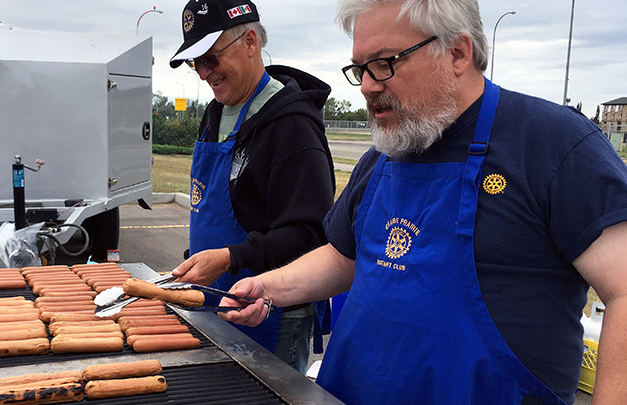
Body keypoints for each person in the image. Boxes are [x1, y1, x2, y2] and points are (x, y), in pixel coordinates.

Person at [218, 0, 627, 404]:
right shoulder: (383, 155)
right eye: (360, 68)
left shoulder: (553, 146)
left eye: (384, 63)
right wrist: (268, 287)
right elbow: (343, 258)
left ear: (457, 52)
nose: (366, 85)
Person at [168, 0, 335, 374]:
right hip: (215, 298)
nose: (203, 73)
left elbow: (310, 235)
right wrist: (198, 257)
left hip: (272, 316)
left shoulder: (292, 126)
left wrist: (230, 257)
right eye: (196, 63)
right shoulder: (215, 112)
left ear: (249, 42)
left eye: (210, 58)